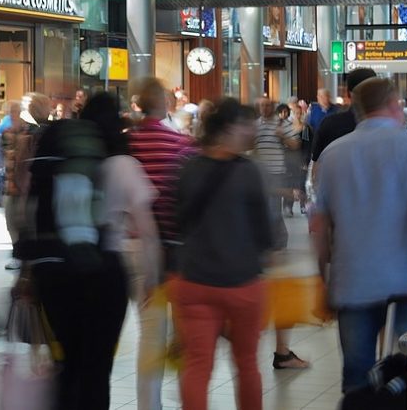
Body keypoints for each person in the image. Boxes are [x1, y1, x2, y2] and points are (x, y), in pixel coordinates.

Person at [20, 92, 158, 410]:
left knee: (67, 365)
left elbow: (33, 210)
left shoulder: (63, 158)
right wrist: (152, 276)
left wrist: (28, 275)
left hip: (55, 270)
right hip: (105, 274)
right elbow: (147, 230)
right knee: (97, 370)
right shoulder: (123, 165)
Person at [313, 77, 407, 394]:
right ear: (394, 105)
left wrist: (322, 279)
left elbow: (320, 225)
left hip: (353, 281)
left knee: (356, 376)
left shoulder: (333, 154)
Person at [171, 98, 274, 410]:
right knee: (246, 363)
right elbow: (264, 234)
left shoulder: (188, 168)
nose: (250, 131)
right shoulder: (248, 172)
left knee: (197, 364)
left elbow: (177, 222)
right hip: (241, 282)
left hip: (194, 281)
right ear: (228, 129)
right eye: (245, 125)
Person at [127, 77, 196, 410]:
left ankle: (148, 406)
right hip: (173, 249)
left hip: (133, 246)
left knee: (149, 335)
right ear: (166, 105)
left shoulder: (125, 144)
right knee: (183, 334)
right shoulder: (180, 144)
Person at [250, 99, 308, 371]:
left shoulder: (282, 125)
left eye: (265, 106)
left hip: (275, 176)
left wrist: (283, 137)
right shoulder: (255, 127)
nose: (262, 110)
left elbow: (296, 146)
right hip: (264, 180)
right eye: (259, 106)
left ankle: (281, 350)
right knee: (274, 230)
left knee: (274, 225)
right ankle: (281, 351)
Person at [1, 93, 49, 270]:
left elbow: (24, 166)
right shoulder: (25, 130)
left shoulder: (31, 133)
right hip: (24, 188)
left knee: (22, 226)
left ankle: (23, 260)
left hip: (25, 190)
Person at [310, 68, 378, 176]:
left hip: (337, 190)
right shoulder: (392, 129)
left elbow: (315, 171)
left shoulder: (329, 124)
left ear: (348, 93)